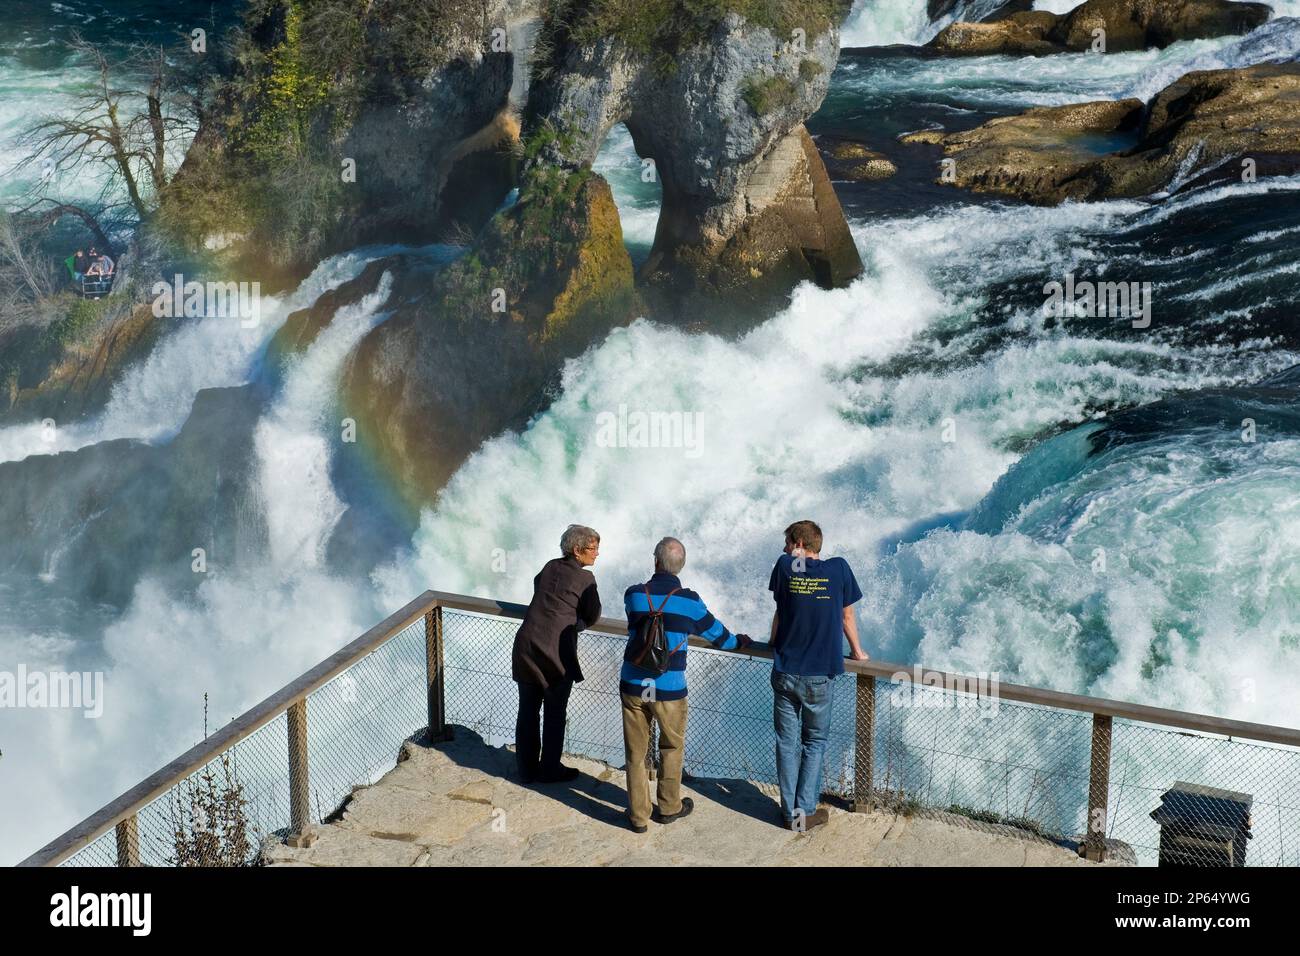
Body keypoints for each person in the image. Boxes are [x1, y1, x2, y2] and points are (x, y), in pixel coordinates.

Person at [620, 537, 750, 833]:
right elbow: (720, 637)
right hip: (669, 688)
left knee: (635, 753)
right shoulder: (690, 601)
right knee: (671, 746)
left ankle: (638, 817)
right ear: (681, 567)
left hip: (633, 684)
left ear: (655, 561)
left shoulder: (634, 595)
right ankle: (668, 807)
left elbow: (634, 625)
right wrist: (739, 641)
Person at [767, 520, 869, 831]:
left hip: (785, 671)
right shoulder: (838, 569)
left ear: (798, 543)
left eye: (788, 542)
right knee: (814, 742)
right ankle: (803, 813)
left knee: (786, 742)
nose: (784, 549)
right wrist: (858, 652)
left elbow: (782, 610)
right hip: (818, 676)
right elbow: (846, 616)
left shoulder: (786, 566)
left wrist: (772, 642)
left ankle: (788, 813)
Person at [511, 524, 602, 784]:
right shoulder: (586, 579)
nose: (596, 554)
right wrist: (578, 623)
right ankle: (549, 769)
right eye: (593, 548)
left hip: (527, 646)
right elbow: (593, 613)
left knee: (528, 710)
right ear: (577, 550)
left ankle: (526, 770)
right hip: (555, 653)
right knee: (554, 712)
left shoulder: (551, 566)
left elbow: (538, 586)